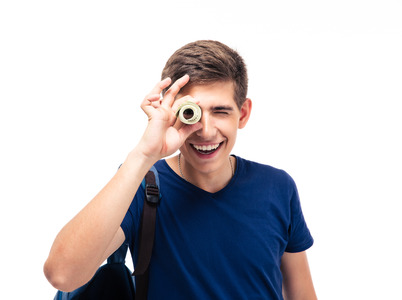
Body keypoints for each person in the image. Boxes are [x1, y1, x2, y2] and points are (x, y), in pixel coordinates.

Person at [44, 40, 317, 299]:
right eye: (191, 112)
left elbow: (301, 294)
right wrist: (144, 155)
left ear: (243, 114)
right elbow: (62, 274)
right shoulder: (143, 185)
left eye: (221, 111)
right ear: (170, 111)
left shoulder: (277, 187)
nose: (206, 131)